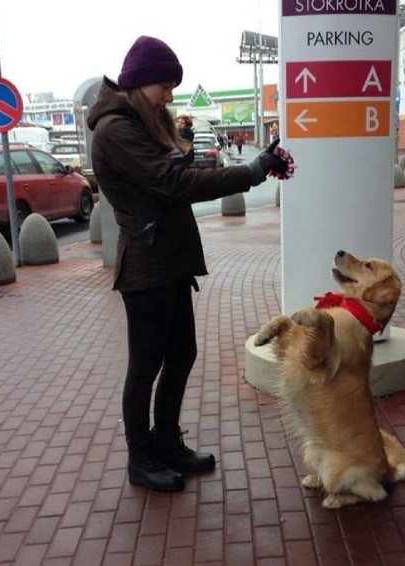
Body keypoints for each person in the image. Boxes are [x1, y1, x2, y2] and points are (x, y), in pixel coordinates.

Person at [89, 35, 288, 492]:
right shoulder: (116, 131)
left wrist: (250, 166)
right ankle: (141, 458)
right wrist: (253, 171)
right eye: (165, 84)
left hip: (169, 260)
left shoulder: (144, 123)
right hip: (145, 265)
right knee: (145, 366)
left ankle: (167, 443)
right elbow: (174, 182)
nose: (170, 95)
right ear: (140, 82)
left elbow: (184, 173)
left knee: (182, 354)